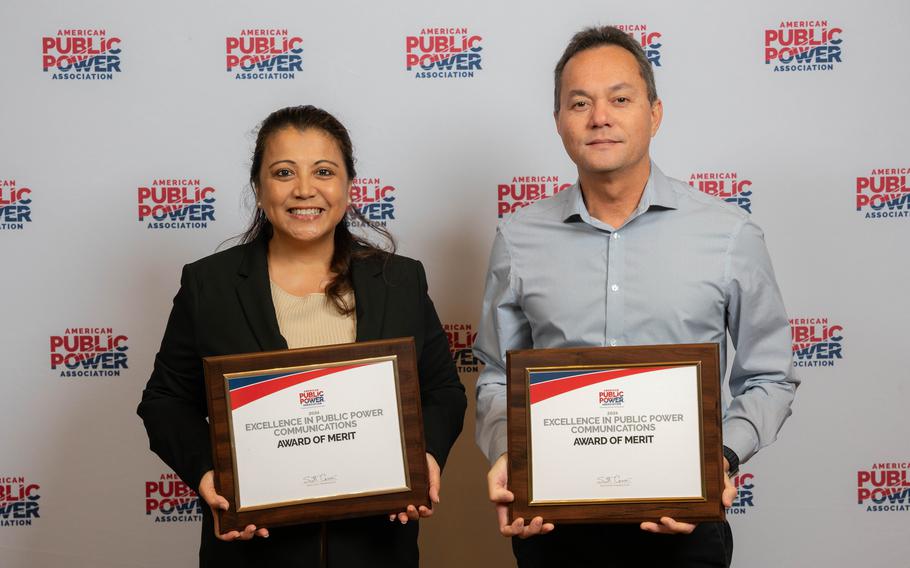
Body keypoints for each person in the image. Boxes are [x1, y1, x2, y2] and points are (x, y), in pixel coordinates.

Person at [474, 26, 798, 567]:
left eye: (620, 99)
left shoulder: (730, 235)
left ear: (655, 112)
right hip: (554, 525)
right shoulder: (518, 238)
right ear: (559, 122)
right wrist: (509, 451)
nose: (600, 116)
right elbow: (493, 375)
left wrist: (719, 456)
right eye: (580, 103)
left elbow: (770, 374)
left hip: (685, 528)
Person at [138, 105, 466, 567]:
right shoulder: (208, 285)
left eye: (324, 171)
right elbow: (165, 400)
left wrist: (425, 457)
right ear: (258, 188)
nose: (305, 189)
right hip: (254, 550)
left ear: (349, 188)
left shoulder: (400, 281)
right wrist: (209, 474)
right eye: (284, 172)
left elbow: (442, 391)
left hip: (375, 547)